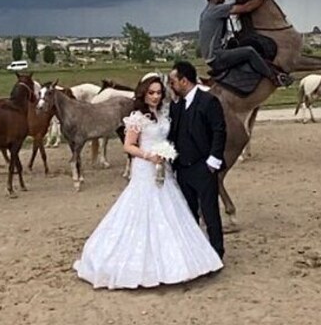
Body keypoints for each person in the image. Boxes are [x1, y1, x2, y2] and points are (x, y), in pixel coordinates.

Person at [73, 75, 223, 290]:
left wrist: (166, 155)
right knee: (142, 208)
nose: (155, 96)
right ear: (143, 94)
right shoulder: (136, 117)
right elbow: (128, 146)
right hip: (145, 168)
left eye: (159, 93)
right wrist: (149, 156)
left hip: (164, 168)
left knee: (171, 209)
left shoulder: (163, 114)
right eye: (151, 93)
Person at [167, 61, 230, 258]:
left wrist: (213, 161)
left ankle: (217, 252)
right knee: (189, 212)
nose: (171, 86)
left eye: (173, 82)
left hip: (203, 167)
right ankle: (195, 251)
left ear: (184, 81)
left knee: (210, 212)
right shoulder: (177, 107)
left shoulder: (208, 101)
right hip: (183, 169)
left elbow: (219, 131)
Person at [200, 0, 294, 87]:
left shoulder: (205, 13)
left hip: (211, 57)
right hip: (217, 57)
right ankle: (274, 78)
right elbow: (247, 8)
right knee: (249, 51)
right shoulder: (217, 9)